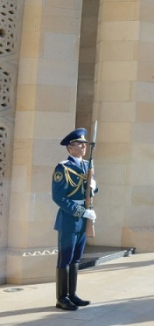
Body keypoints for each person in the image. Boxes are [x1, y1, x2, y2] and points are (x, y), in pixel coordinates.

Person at [52, 128, 97, 311]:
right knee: (65, 259)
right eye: (80, 144)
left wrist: (94, 187)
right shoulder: (62, 168)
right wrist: (81, 212)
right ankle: (62, 298)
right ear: (70, 148)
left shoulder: (87, 166)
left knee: (76, 259)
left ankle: (72, 294)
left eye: (85, 144)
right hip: (70, 219)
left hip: (84, 219)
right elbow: (58, 197)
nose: (84, 146)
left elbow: (89, 192)